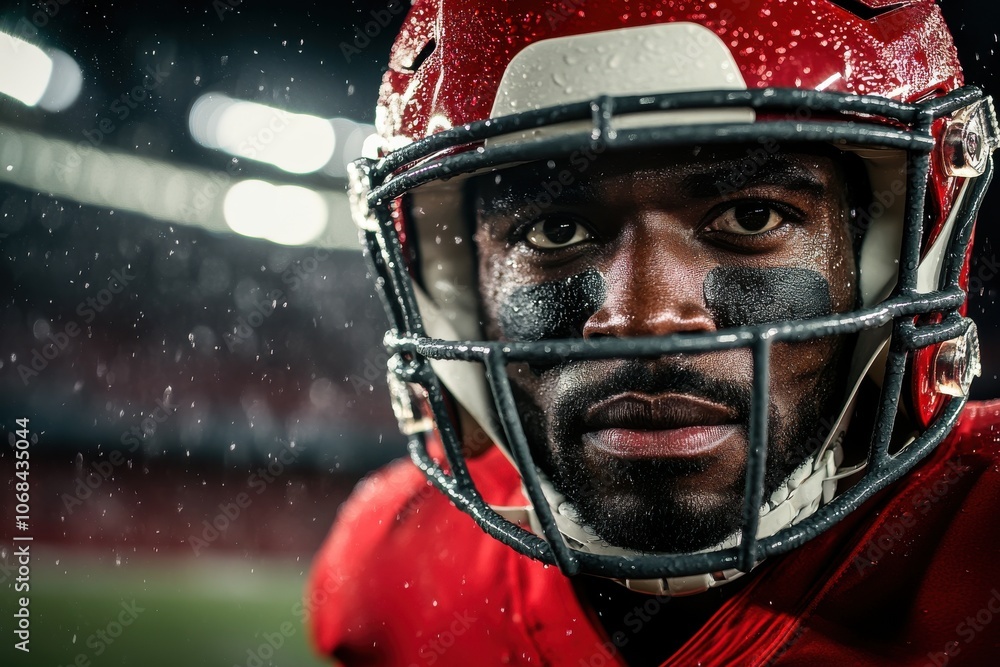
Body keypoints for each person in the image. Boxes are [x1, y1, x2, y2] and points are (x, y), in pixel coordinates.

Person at [309, 1, 1000, 664]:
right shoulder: (397, 565)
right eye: (556, 230)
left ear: (876, 255)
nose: (645, 317)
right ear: (462, 291)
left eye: (752, 216)